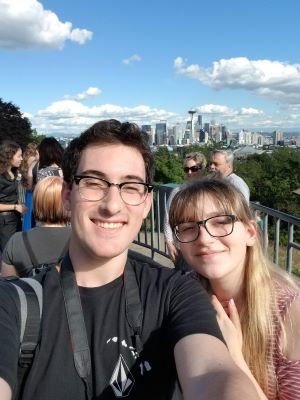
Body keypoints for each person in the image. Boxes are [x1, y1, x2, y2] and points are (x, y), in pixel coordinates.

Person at [0, 120, 260, 400]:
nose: (112, 205)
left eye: (131, 187)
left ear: (147, 202)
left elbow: (213, 374)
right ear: (67, 195)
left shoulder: (176, 294)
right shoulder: (15, 304)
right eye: (93, 183)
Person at [169, 177, 300, 400]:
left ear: (250, 233)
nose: (205, 238)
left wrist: (234, 358)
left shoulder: (290, 310)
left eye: (220, 222)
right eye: (189, 227)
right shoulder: (180, 294)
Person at [1, 176, 71, 277]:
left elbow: (9, 288)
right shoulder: (81, 241)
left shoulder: (15, 241)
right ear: (67, 202)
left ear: (36, 201)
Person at [163, 152, 206, 271]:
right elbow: (168, 217)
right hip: (183, 247)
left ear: (202, 169)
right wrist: (169, 242)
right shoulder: (177, 191)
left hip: (204, 245)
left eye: (194, 169)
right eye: (186, 169)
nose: (189, 173)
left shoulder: (208, 192)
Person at [0, 141, 27, 259]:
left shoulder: (13, 172)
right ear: (9, 156)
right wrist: (15, 207)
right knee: (7, 254)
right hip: (4, 221)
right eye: (19, 156)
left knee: (14, 251)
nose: (21, 159)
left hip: (14, 219)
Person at [19, 142, 39, 231]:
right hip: (33, 190)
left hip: (26, 189)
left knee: (26, 216)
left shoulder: (26, 157)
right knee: (31, 215)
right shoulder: (34, 158)